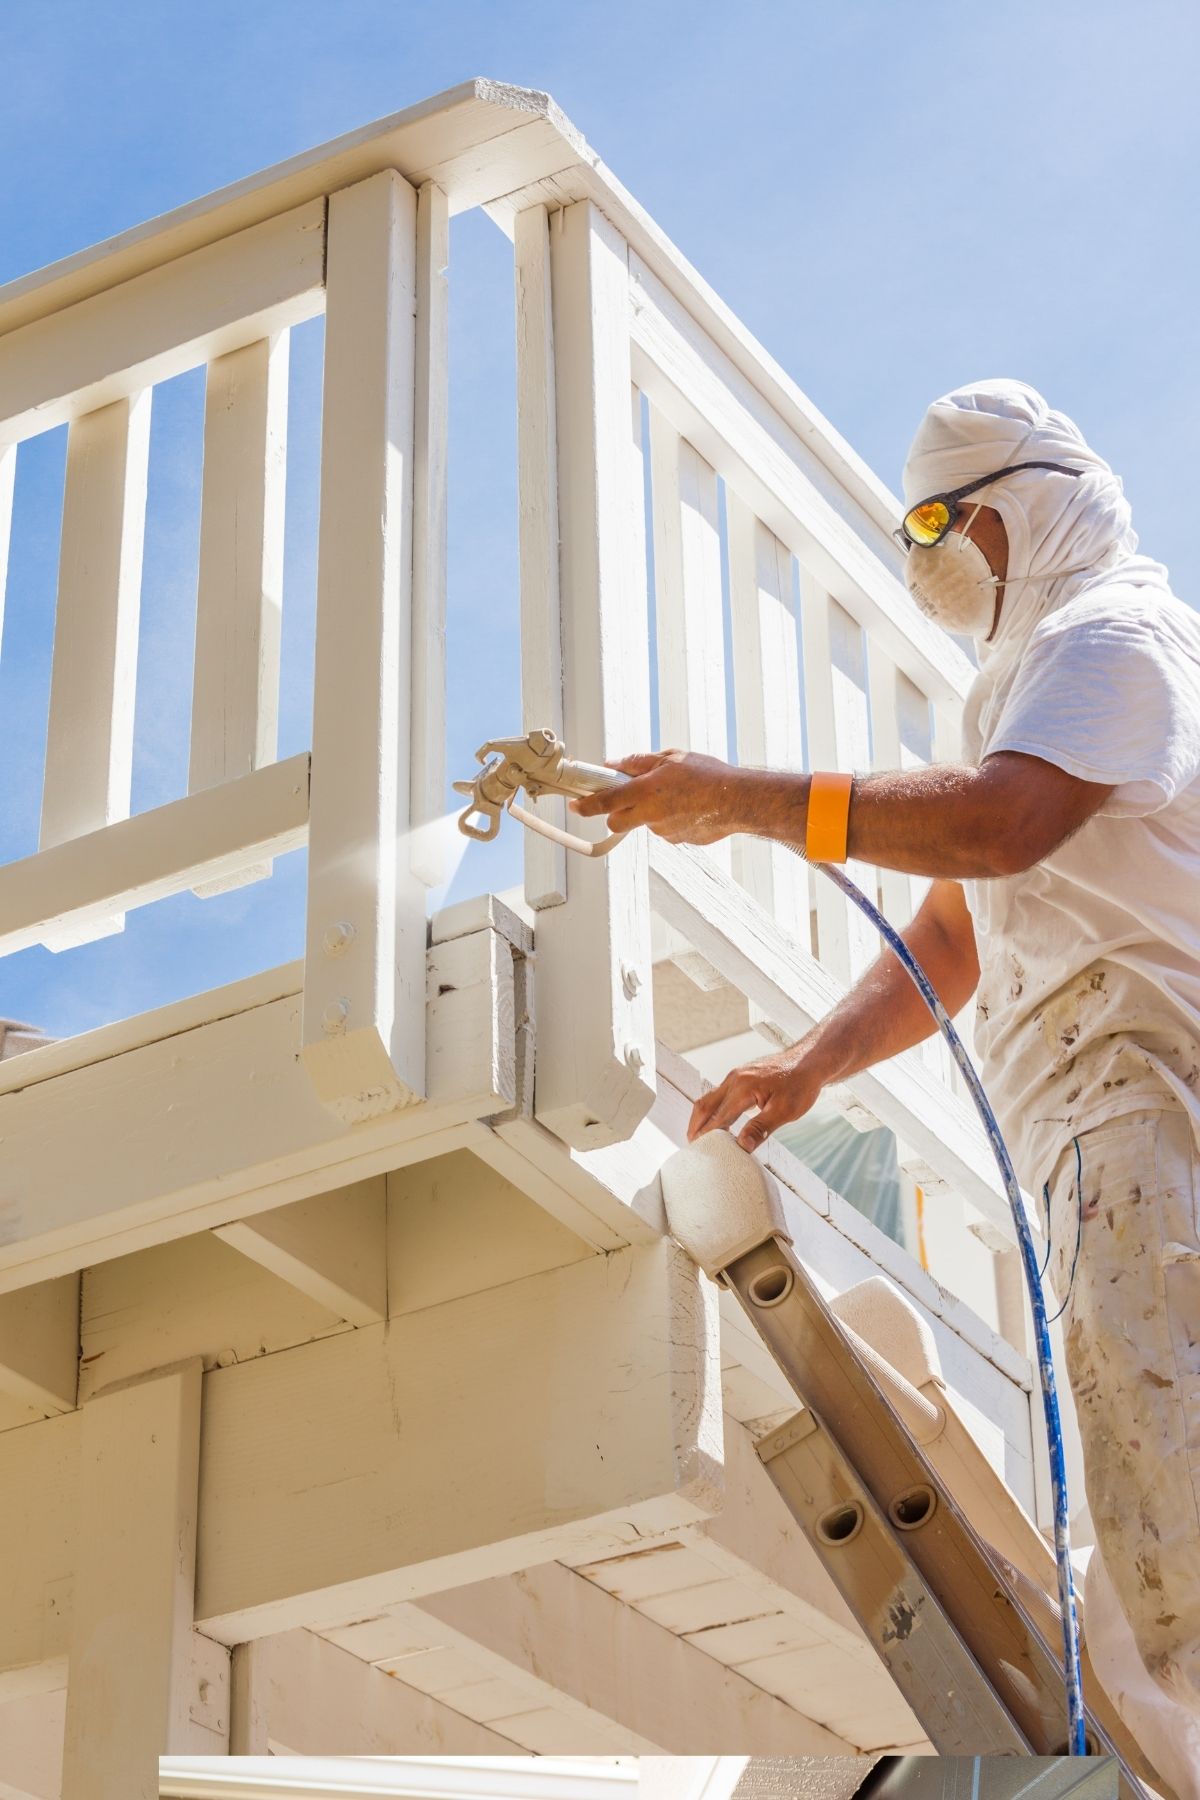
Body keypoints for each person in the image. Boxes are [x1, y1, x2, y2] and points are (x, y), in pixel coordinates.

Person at [570, 380, 1200, 1766]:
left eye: (933, 520)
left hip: (1145, 1108)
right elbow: (957, 925)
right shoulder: (1046, 682)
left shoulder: (1112, 637)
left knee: (1178, 1524)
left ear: (1015, 511)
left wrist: (743, 797)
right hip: (1108, 1126)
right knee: (1158, 1503)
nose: (917, 557)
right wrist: (809, 1062)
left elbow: (996, 831)